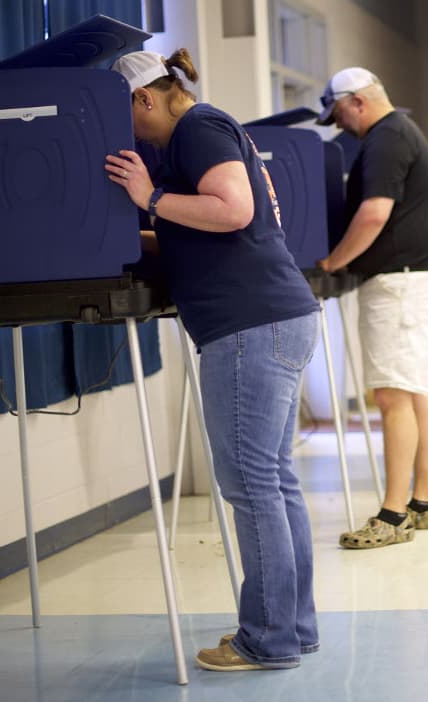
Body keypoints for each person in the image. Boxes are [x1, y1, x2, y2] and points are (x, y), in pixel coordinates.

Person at [106, 49, 322, 671]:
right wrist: (141, 221)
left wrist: (148, 198)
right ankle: (293, 629)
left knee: (252, 486)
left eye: (129, 116)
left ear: (144, 98)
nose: (132, 135)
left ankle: (268, 639)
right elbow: (202, 222)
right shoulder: (210, 132)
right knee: (274, 482)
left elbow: (232, 210)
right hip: (277, 317)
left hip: (249, 327)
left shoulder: (198, 128)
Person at [314, 67, 428, 549]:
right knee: (416, 392)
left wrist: (333, 261)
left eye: (339, 114)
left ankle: (393, 515)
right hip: (424, 280)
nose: (341, 126)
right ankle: (424, 502)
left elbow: (374, 213)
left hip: (402, 286)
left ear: (356, 102)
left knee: (394, 397)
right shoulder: (403, 131)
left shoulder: (385, 138)